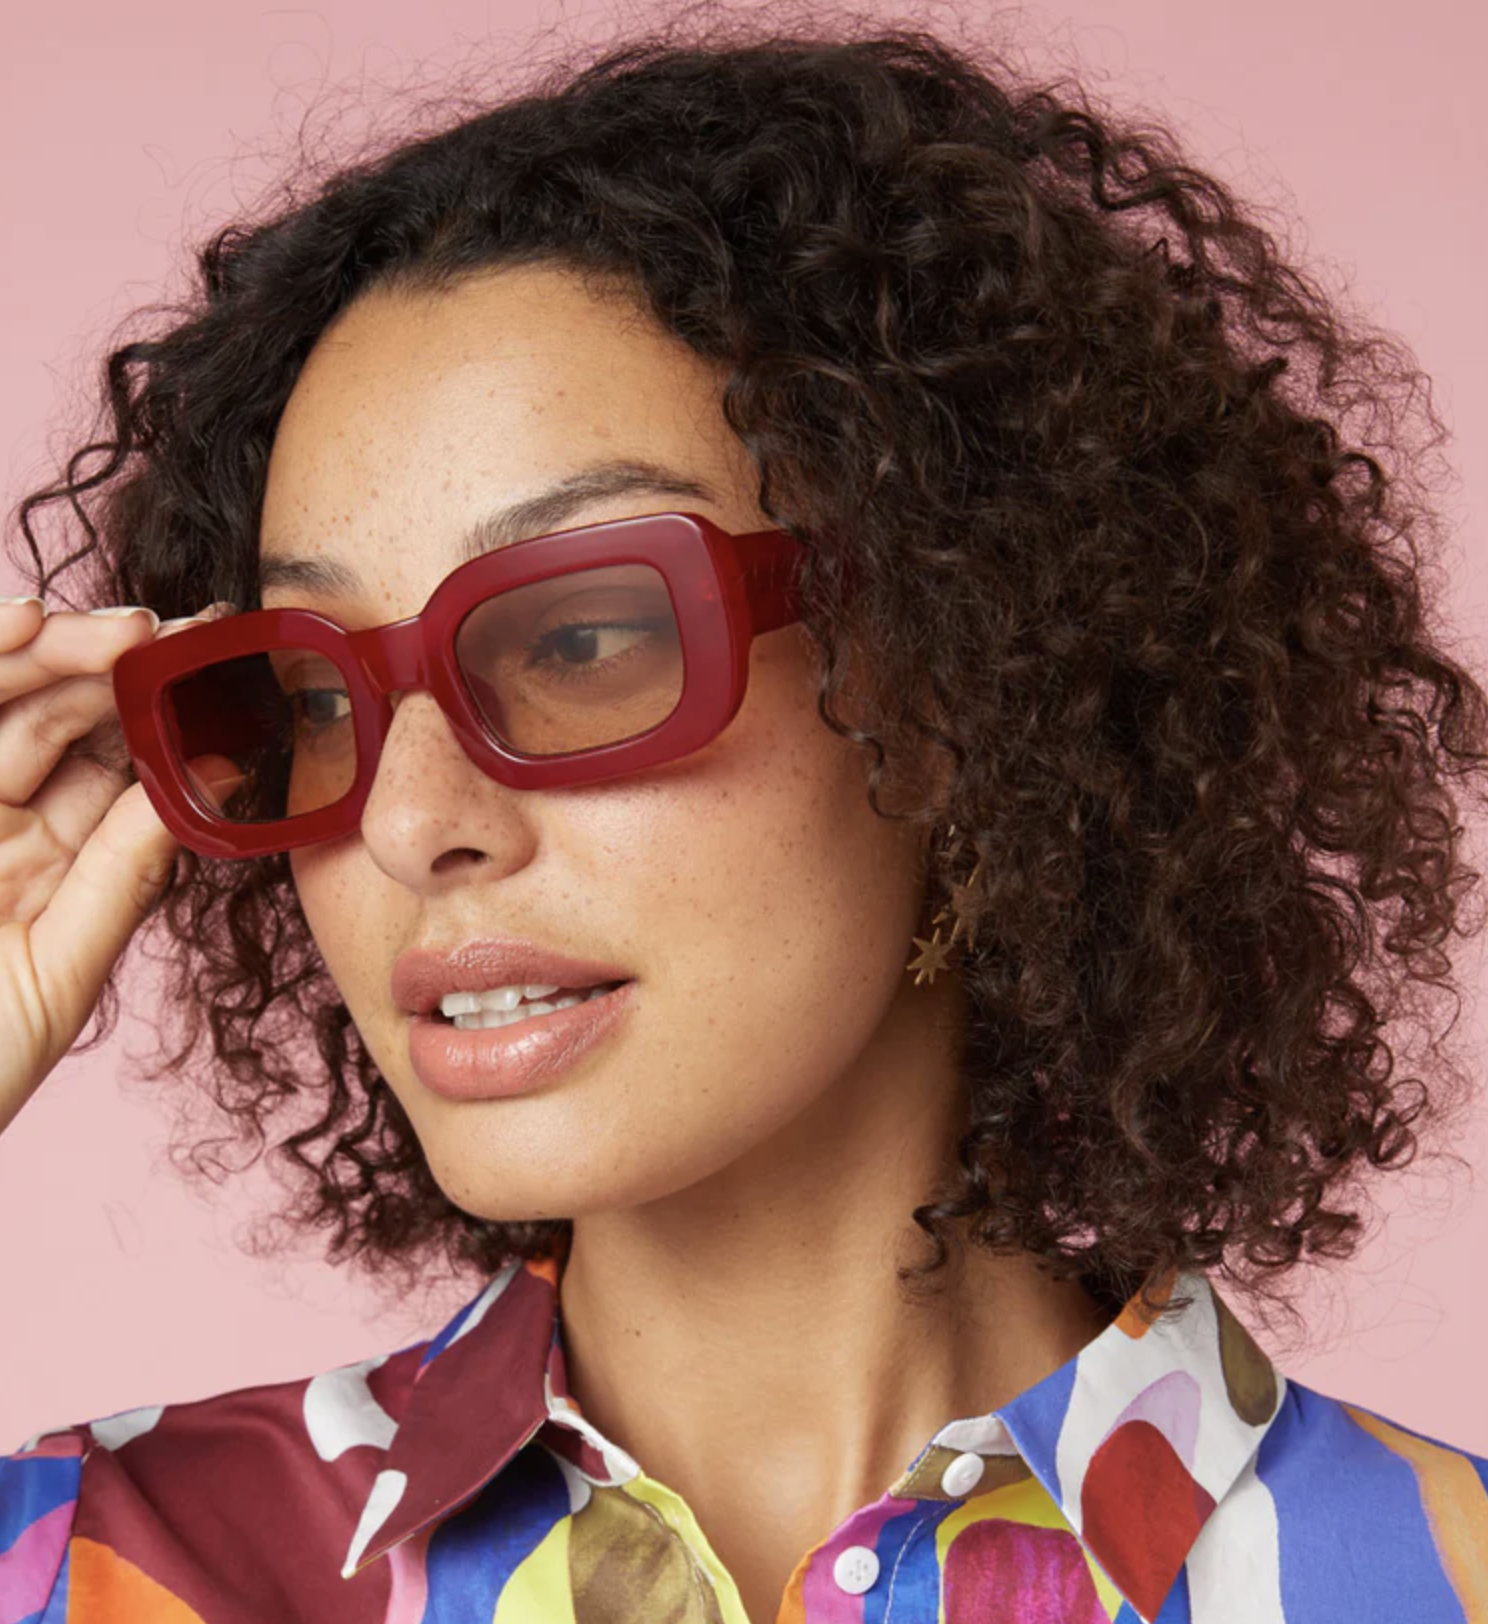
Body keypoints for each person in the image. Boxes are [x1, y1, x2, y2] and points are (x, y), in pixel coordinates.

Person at [1, 15, 1485, 1623]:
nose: (413, 822)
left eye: (578, 639)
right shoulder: (85, 1567)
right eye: (309, 697)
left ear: (968, 679)